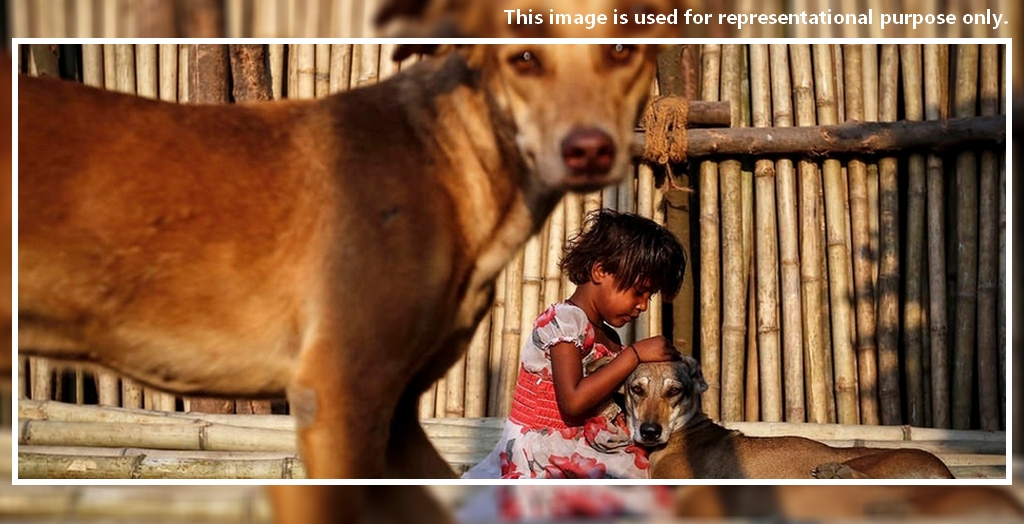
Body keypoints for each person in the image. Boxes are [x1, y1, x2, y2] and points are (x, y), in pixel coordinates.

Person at [464, 209, 686, 479]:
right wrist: (634, 355)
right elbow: (573, 401)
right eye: (638, 292)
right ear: (600, 271)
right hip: (541, 454)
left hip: (582, 446)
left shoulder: (609, 338)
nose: (642, 306)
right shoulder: (563, 322)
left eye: (649, 297)